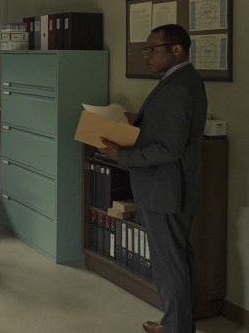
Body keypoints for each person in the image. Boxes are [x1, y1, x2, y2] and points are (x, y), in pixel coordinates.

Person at [99, 24, 207, 333]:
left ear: (177, 49)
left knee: (170, 264)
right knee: (177, 259)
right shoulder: (181, 80)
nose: (147, 55)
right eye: (145, 49)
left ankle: (176, 329)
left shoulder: (179, 87)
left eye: (152, 49)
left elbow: (169, 148)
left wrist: (123, 156)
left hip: (167, 189)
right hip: (169, 187)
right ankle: (176, 323)